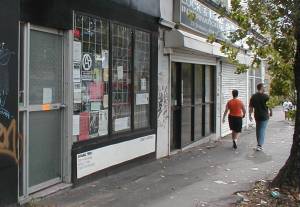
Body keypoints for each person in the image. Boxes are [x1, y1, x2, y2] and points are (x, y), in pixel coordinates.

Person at [249, 83, 272, 151]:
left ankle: (258, 145)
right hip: (264, 116)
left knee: (258, 130)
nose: (265, 88)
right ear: (261, 88)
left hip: (257, 115)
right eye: (264, 87)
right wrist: (271, 112)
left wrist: (250, 115)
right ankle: (259, 145)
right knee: (262, 130)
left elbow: (251, 107)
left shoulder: (253, 96)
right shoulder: (266, 96)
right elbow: (270, 105)